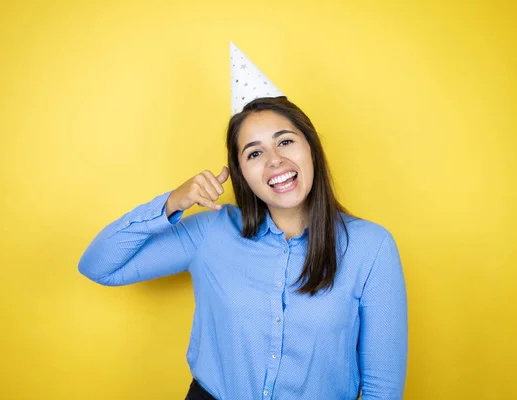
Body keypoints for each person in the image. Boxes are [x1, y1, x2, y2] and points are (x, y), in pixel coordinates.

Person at [78, 96, 408, 399]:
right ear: (242, 174)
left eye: (286, 141)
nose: (275, 161)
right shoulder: (211, 232)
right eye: (254, 153)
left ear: (312, 149)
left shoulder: (371, 247)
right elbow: (100, 266)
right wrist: (172, 202)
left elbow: (382, 388)